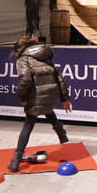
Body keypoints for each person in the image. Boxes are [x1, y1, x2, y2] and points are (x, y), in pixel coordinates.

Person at [9, 36, 73, 172]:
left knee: (28, 124)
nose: (14, 56)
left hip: (36, 94)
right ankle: (62, 135)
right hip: (50, 92)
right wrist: (64, 99)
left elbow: (25, 80)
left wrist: (22, 97)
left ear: (17, 51)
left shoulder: (23, 59)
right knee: (47, 108)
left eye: (14, 54)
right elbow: (58, 77)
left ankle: (16, 160)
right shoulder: (44, 56)